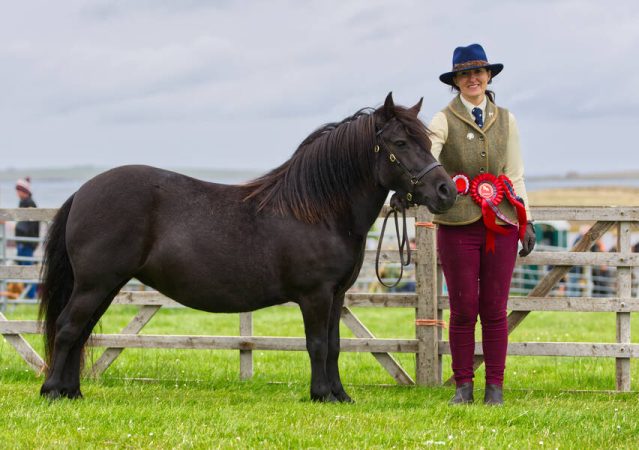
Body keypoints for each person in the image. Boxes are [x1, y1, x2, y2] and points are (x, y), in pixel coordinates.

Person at [428, 44, 536, 405]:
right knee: (462, 308)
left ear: (489, 76)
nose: (472, 78)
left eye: (478, 72)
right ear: (455, 81)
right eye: (464, 73)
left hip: (502, 222)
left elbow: (515, 174)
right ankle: (463, 386)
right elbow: (425, 164)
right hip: (456, 224)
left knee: (494, 308)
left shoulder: (508, 119)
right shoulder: (441, 120)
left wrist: (527, 219)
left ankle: (495, 387)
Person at [15, 177, 40, 298]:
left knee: (27, 268)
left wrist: (30, 242)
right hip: (23, 241)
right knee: (24, 267)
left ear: (23, 190)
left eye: (19, 190)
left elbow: (32, 225)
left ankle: (31, 295)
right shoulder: (24, 202)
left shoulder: (29, 203)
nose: (17, 193)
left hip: (26, 242)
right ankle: (28, 293)